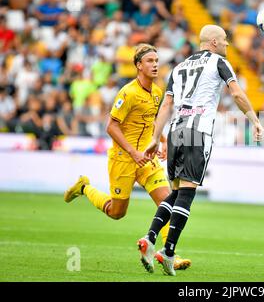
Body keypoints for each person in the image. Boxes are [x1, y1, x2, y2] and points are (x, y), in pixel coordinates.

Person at [142, 25, 264, 276]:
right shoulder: (219, 62)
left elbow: (167, 104)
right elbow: (237, 94)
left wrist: (156, 137)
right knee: (186, 194)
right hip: (198, 131)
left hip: (176, 131)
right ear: (213, 42)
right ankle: (168, 252)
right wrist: (254, 120)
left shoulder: (178, 68)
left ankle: (150, 237)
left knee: (175, 194)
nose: (228, 44)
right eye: (224, 40)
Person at [63, 44, 191, 272]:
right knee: (116, 212)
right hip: (124, 158)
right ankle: (84, 188)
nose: (155, 65)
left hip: (147, 159)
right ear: (138, 66)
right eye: (150, 61)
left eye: (156, 60)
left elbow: (150, 120)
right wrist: (133, 152)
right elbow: (111, 126)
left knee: (166, 202)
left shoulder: (157, 92)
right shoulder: (128, 93)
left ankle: (169, 253)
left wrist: (160, 140)